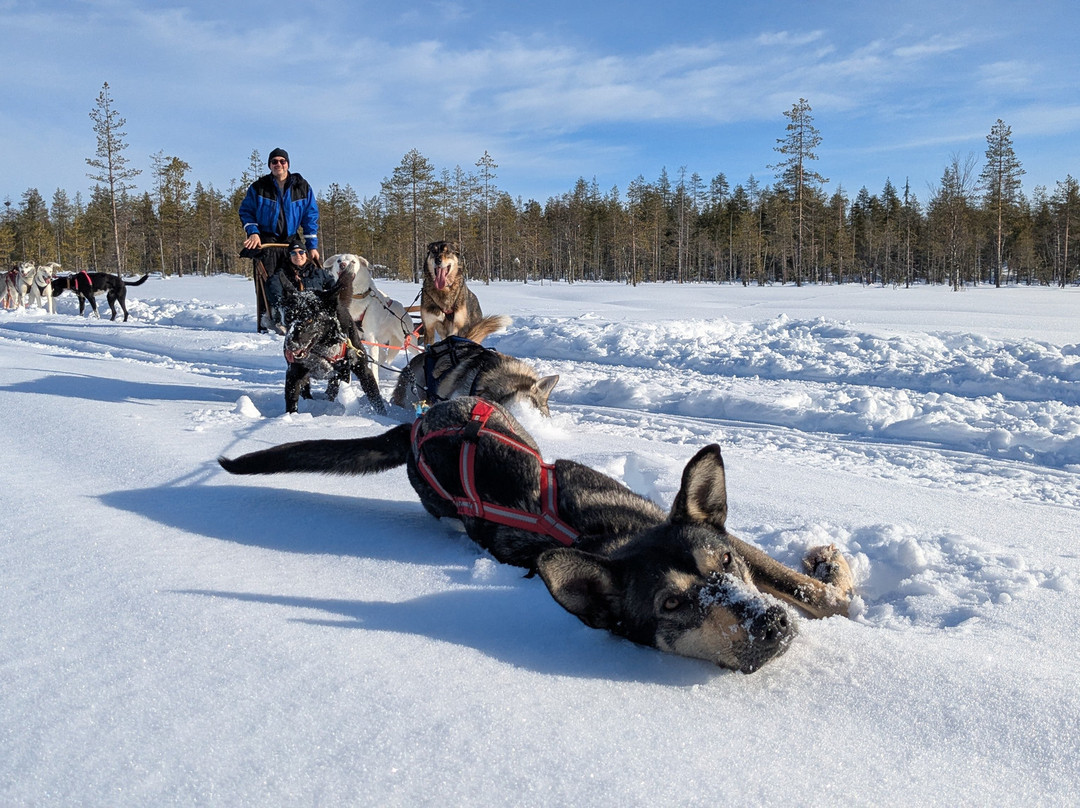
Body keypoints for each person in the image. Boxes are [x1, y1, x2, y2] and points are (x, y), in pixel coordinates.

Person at [238, 148, 320, 332]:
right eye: (274, 161)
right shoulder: (259, 187)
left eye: (282, 161)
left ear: (288, 164)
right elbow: (246, 211)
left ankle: (299, 318)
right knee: (269, 280)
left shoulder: (302, 187)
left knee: (299, 278)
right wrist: (253, 232)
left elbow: (310, 217)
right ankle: (269, 319)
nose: (278, 164)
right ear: (269, 165)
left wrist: (312, 246)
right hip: (266, 240)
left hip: (291, 240)